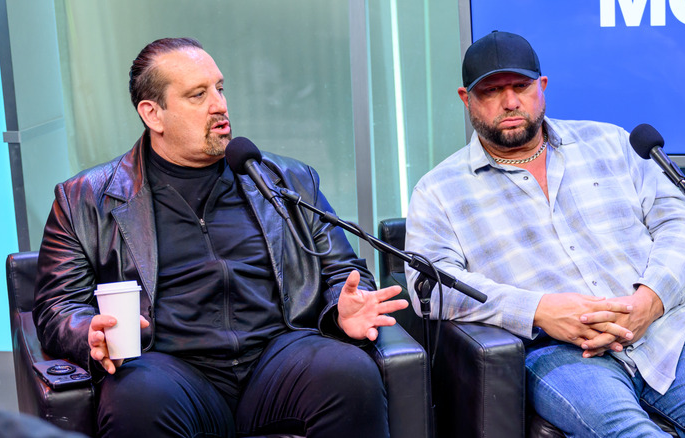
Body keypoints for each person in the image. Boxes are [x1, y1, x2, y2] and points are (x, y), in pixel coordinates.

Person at [33, 37, 408, 438]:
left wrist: (340, 309)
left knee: (350, 373)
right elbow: (57, 305)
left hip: (277, 355)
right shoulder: (84, 200)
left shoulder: (287, 181)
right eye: (198, 95)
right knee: (135, 398)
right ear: (152, 114)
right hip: (167, 366)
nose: (220, 105)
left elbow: (343, 271)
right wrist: (86, 330)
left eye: (220, 88)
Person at [405, 31, 685, 436]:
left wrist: (649, 301)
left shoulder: (613, 144)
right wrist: (539, 309)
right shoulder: (438, 190)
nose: (510, 102)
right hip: (560, 354)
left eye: (521, 87)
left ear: (541, 87)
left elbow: (681, 222)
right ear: (466, 99)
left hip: (671, 333)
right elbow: (430, 283)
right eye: (492, 91)